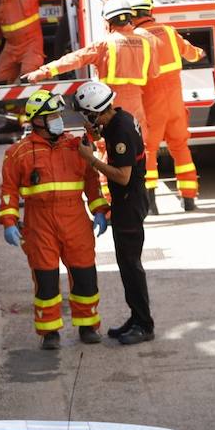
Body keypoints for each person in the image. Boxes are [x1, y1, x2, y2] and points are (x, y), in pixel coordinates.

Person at [0, 90, 109, 349]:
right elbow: (9, 191)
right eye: (52, 115)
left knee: (85, 275)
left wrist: (100, 210)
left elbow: (92, 182)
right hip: (39, 222)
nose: (58, 119)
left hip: (75, 219)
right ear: (37, 120)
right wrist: (9, 222)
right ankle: (49, 332)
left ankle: (87, 325)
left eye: (58, 114)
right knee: (45, 279)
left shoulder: (75, 146)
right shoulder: (19, 153)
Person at [69, 80, 154, 344]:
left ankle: (144, 324)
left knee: (131, 267)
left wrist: (90, 159)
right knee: (126, 265)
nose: (86, 119)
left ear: (95, 112)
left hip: (129, 202)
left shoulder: (120, 131)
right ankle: (136, 317)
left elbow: (123, 176)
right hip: (129, 201)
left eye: (87, 115)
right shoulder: (119, 119)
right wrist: (94, 135)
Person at [21, 0, 151, 131]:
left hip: (110, 102)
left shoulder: (105, 44)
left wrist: (43, 72)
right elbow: (153, 72)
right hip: (137, 102)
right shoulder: (145, 42)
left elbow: (75, 59)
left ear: (108, 22)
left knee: (109, 142)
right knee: (138, 141)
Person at [134, 0, 207, 211]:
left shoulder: (136, 38)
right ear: (150, 12)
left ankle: (150, 203)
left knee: (149, 150)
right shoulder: (168, 31)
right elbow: (193, 54)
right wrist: (200, 53)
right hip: (175, 102)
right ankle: (189, 199)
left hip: (151, 104)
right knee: (180, 148)